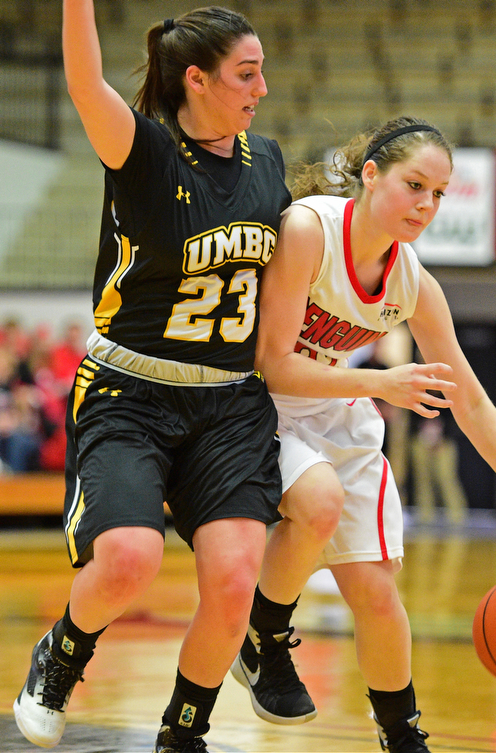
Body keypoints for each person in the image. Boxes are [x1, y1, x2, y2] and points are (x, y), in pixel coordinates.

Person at [230, 116, 496, 752]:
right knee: (317, 503)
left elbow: (470, 400)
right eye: (414, 185)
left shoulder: (413, 281)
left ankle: (403, 735)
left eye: (439, 193)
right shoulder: (310, 229)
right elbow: (274, 361)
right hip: (263, 406)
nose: (426, 205)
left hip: (336, 410)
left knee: (375, 591)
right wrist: (381, 385)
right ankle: (264, 634)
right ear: (371, 175)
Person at [13, 4, 291, 752]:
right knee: (129, 559)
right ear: (195, 80)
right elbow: (83, 81)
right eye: (246, 72)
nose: (262, 86)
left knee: (235, 583)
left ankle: (184, 731)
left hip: (229, 402)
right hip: (130, 393)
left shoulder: (268, 162)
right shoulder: (145, 154)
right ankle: (62, 654)